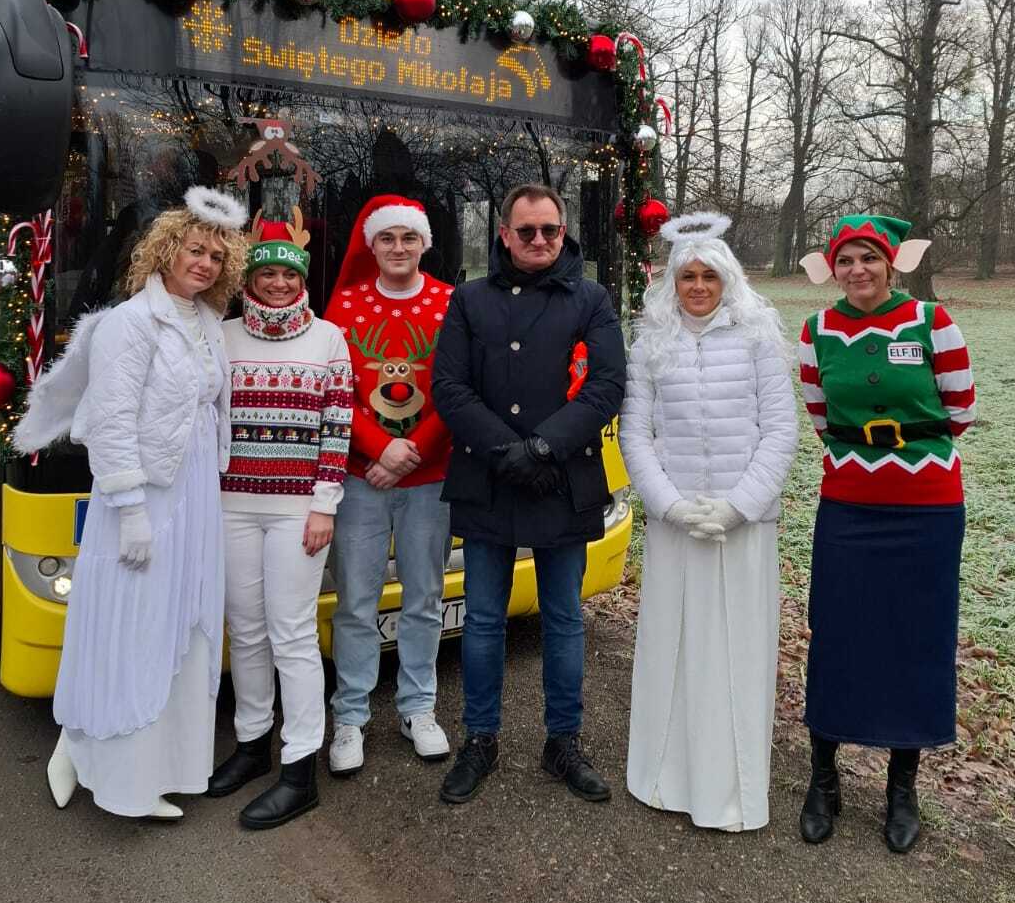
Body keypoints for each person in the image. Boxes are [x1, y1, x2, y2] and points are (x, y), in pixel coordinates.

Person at [15, 186, 248, 820]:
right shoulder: (130, 323)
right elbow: (112, 420)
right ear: (165, 251)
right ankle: (112, 769)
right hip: (142, 497)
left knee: (181, 625)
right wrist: (132, 510)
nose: (204, 263)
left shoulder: (205, 324)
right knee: (132, 628)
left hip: (195, 494)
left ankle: (153, 763)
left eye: (216, 257)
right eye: (194, 250)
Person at [432, 183, 627, 806]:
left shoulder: (592, 300)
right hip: (488, 477)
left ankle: (562, 742)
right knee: (484, 621)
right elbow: (450, 388)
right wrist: (506, 452)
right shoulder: (470, 300)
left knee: (565, 621)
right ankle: (480, 739)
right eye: (526, 231)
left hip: (561, 478)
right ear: (504, 236)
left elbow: (605, 386)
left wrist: (543, 449)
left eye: (550, 230)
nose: (539, 241)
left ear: (563, 232)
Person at [797, 214, 976, 853]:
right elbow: (819, 412)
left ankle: (903, 785)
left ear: (891, 262)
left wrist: (907, 454)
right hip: (849, 501)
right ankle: (824, 778)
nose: (858, 271)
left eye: (869, 258)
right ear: (833, 267)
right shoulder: (816, 330)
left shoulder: (933, 321)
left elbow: (962, 407)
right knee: (838, 629)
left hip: (925, 504)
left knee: (915, 636)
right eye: (846, 261)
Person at [619, 213, 798, 832]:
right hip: (676, 523)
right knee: (672, 645)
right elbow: (637, 436)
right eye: (687, 276)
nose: (698, 286)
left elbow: (779, 432)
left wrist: (738, 505)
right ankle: (664, 777)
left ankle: (732, 791)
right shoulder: (652, 345)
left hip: (741, 525)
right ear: (673, 282)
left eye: (709, 276)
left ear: (727, 280)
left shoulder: (757, 340)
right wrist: (668, 504)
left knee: (736, 651)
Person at [206, 208, 353, 829]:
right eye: (266, 274)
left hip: (299, 512)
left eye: (288, 277)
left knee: (291, 633)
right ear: (251, 279)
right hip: (232, 506)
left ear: (302, 283)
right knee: (246, 630)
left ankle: (300, 769)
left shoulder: (328, 340)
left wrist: (325, 504)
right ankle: (251, 745)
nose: (277, 284)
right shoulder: (222, 335)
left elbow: (337, 426)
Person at [321, 196, 455, 776]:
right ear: (371, 245)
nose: (398, 248)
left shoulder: (452, 304)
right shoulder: (344, 308)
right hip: (360, 477)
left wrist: (411, 452)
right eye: (387, 239)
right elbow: (332, 391)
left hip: (430, 478)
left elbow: (459, 387)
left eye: (409, 238)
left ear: (424, 244)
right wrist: (379, 449)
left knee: (425, 597)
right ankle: (350, 716)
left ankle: (417, 707)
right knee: (356, 600)